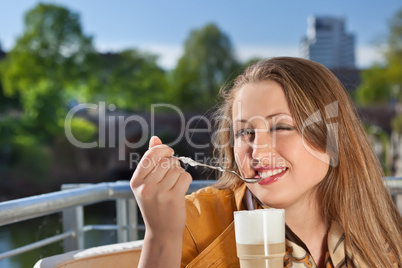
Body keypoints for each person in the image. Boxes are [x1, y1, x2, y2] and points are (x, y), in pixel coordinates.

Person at [130, 57, 402, 267]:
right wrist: (161, 238)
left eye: (280, 127)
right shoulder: (190, 222)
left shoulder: (384, 229)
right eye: (244, 133)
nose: (257, 153)